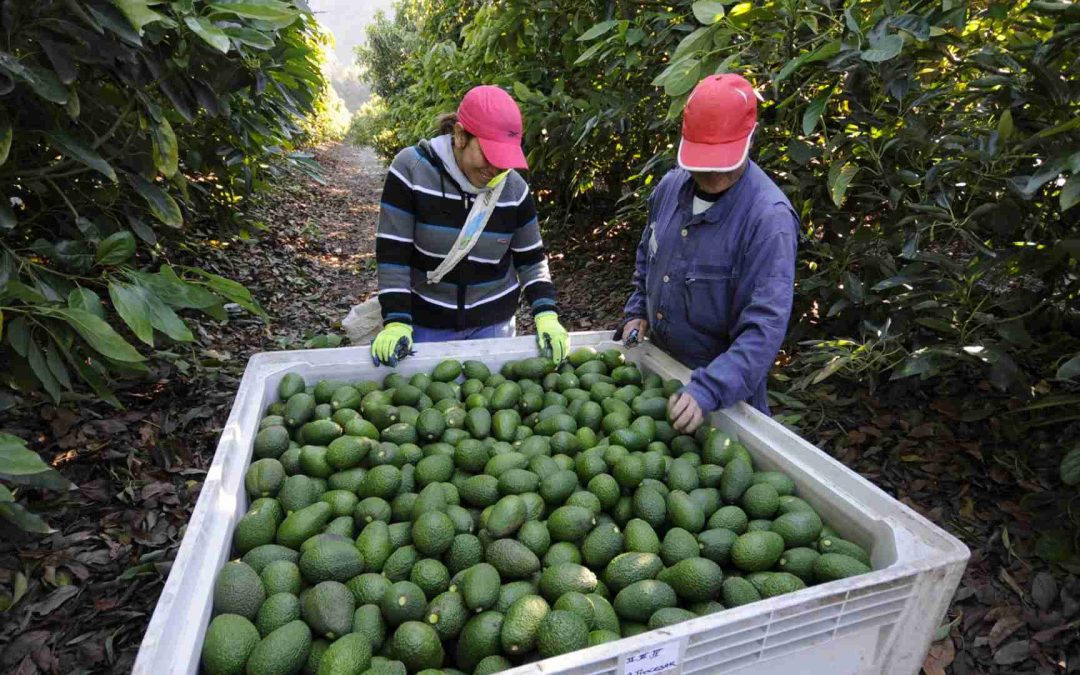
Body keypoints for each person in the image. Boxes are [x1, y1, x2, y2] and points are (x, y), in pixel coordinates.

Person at [618, 73, 799, 434]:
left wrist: (709, 389)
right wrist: (637, 310)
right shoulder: (670, 189)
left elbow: (764, 328)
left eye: (723, 161)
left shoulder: (768, 220)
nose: (713, 173)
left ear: (751, 139)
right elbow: (648, 256)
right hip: (660, 375)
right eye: (704, 161)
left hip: (725, 399)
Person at [371, 85, 569, 366]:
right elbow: (393, 254)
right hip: (427, 322)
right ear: (460, 135)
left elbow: (531, 259)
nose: (495, 169)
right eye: (489, 155)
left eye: (504, 160)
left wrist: (546, 313)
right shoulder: (411, 170)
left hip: (494, 325)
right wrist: (397, 320)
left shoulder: (513, 189)